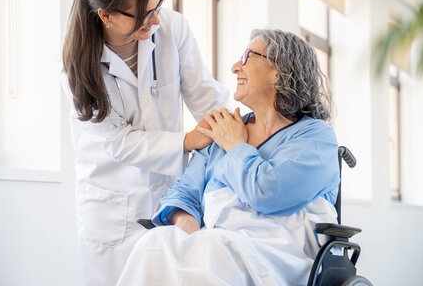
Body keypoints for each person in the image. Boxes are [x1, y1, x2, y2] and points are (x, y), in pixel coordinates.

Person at [117, 29, 340, 286]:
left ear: (279, 70)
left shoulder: (316, 136)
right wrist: (190, 231)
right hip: (218, 245)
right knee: (154, 242)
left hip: (276, 256)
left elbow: (268, 193)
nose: (236, 67)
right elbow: (183, 195)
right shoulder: (225, 128)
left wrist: (236, 145)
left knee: (214, 249)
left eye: (248, 56)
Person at [60, 0, 229, 285]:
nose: (155, 20)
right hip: (112, 210)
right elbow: (118, 142)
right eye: (143, 14)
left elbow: (205, 94)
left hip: (170, 198)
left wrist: (250, 128)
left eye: (157, 6)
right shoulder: (79, 69)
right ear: (106, 16)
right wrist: (186, 141)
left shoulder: (172, 29)